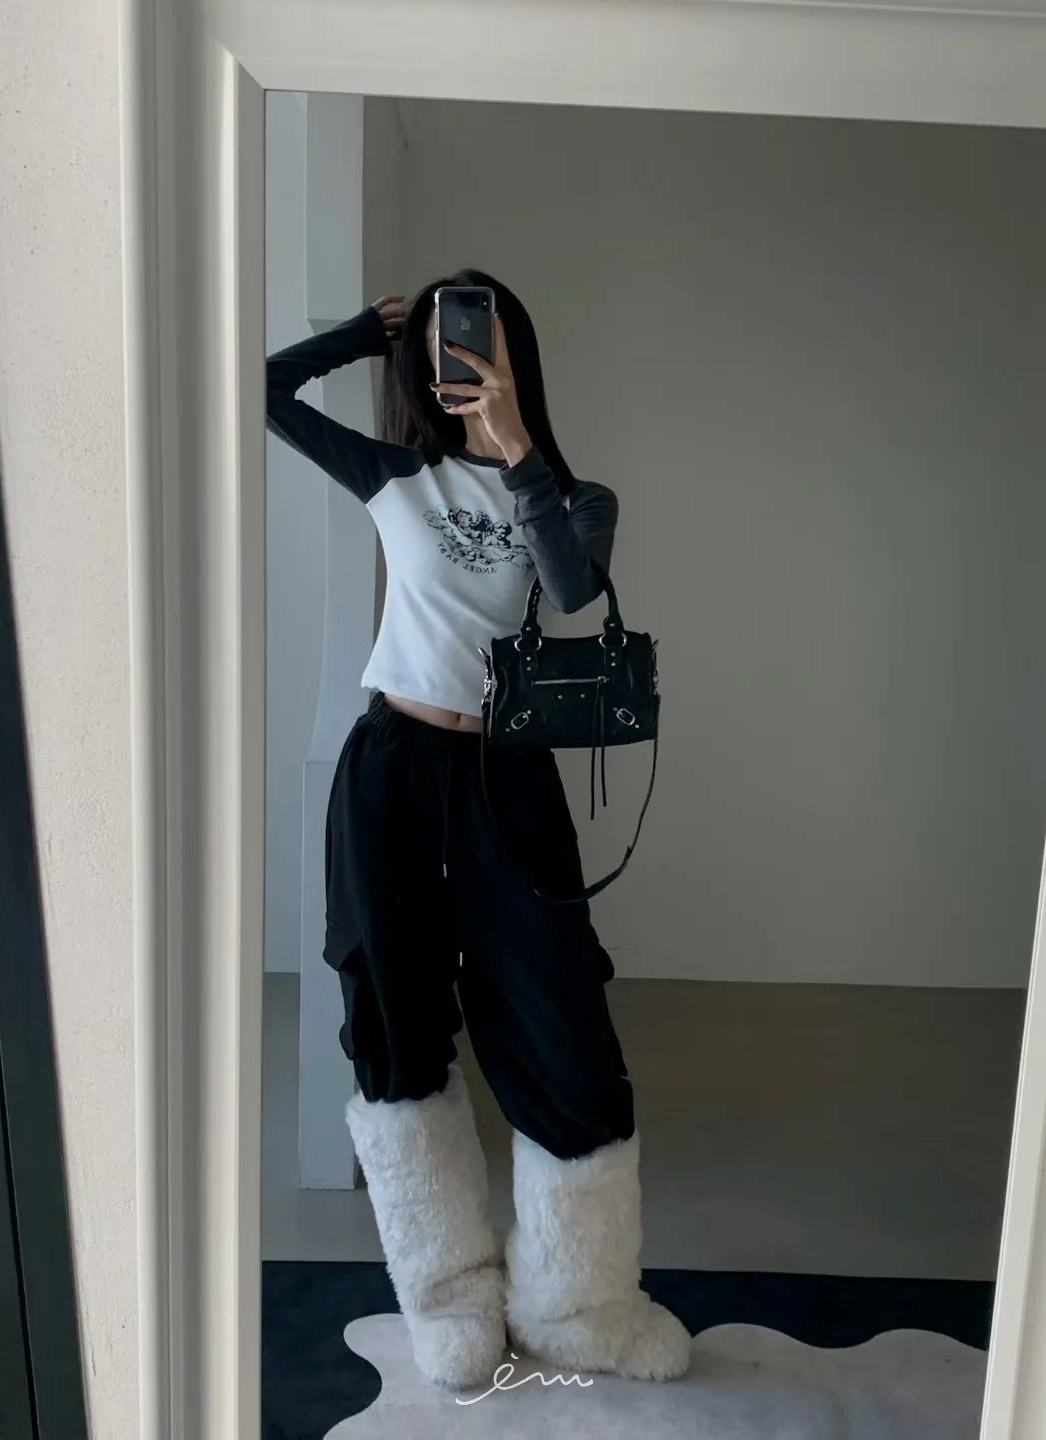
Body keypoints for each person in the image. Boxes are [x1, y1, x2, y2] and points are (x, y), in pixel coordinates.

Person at [266, 270, 689, 1389]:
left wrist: (515, 447)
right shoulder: (394, 474)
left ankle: (579, 1304)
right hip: (392, 771)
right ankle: (448, 1296)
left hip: (509, 777)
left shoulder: (575, 496)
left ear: (516, 357)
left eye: (484, 341)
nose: (463, 359)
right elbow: (257, 392)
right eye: (448, 345)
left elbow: (571, 588)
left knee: (557, 1012)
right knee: (392, 1015)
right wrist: (360, 335)